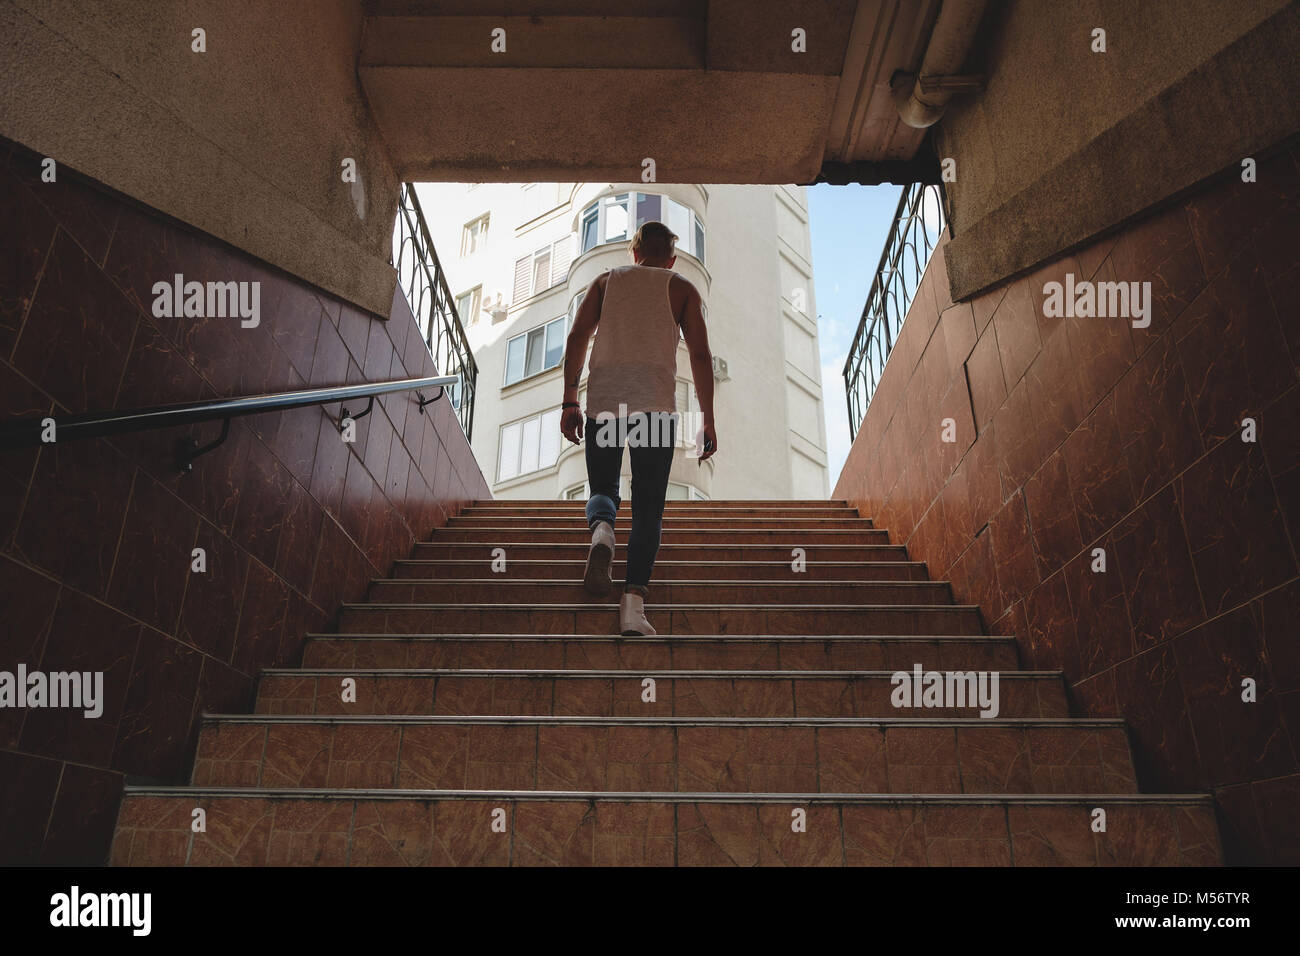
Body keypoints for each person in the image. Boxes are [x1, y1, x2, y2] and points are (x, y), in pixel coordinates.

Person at [560, 220, 718, 635]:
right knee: (648, 507)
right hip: (655, 411)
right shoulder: (681, 287)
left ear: (634, 252)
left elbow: (577, 338)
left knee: (602, 490)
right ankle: (632, 608)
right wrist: (707, 418)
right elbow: (701, 356)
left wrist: (570, 399)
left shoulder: (605, 282)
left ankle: (604, 532)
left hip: (607, 405)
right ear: (671, 258)